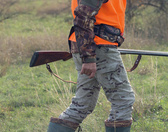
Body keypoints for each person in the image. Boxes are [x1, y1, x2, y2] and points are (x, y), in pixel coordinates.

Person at [47, 0, 135, 132]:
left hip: (93, 46)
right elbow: (83, 16)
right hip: (97, 47)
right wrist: (89, 58)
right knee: (123, 100)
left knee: (83, 104)